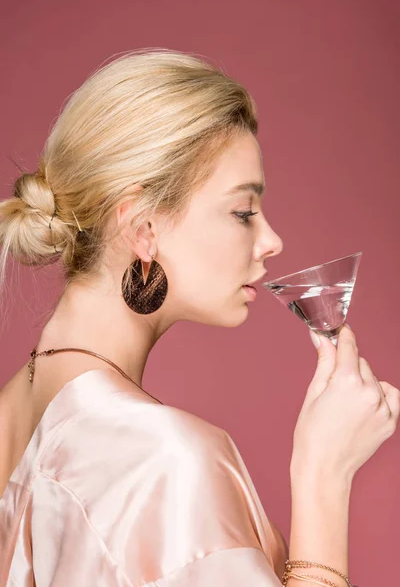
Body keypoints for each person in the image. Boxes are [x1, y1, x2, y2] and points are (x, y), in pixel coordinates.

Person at [0, 48, 398, 587]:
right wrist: (324, 473)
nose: (272, 241)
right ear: (144, 229)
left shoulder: (14, 415)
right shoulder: (164, 461)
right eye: (243, 213)